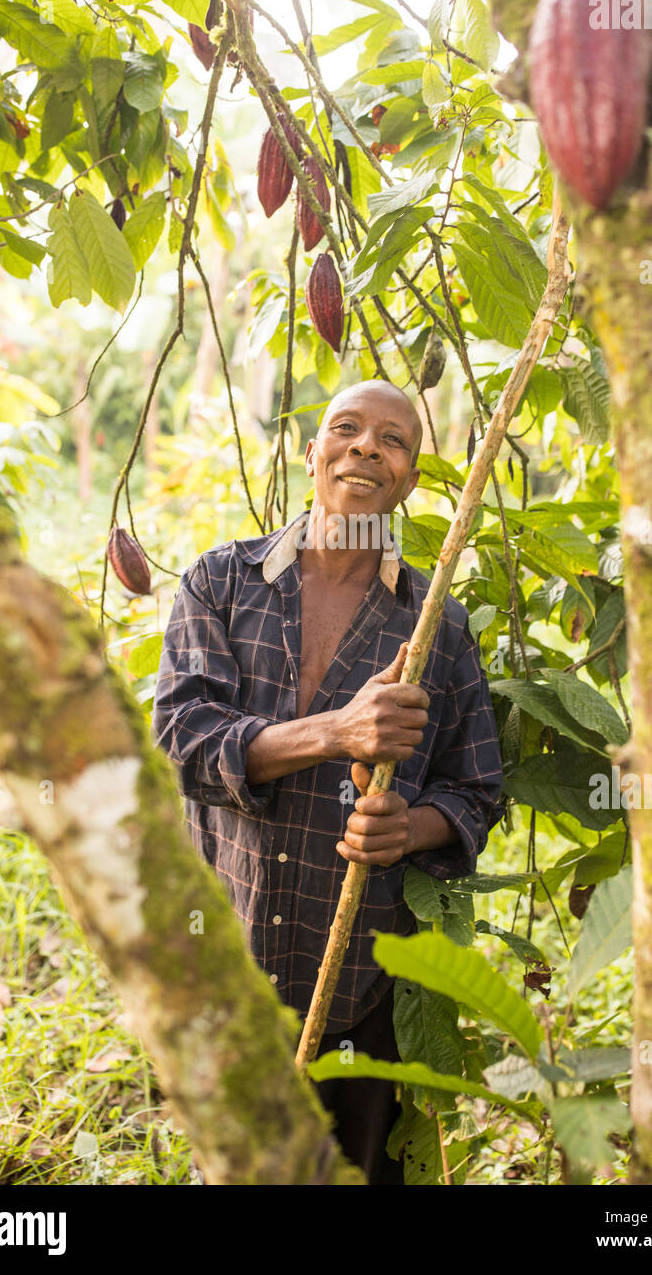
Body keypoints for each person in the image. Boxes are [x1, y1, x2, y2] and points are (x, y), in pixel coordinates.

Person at [151, 380, 503, 1184]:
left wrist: (409, 829)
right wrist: (336, 732)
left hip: (360, 985)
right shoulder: (223, 581)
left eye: (393, 440)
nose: (365, 447)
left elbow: (476, 789)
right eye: (345, 429)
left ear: (410, 480)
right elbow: (179, 740)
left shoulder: (435, 625)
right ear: (313, 455)